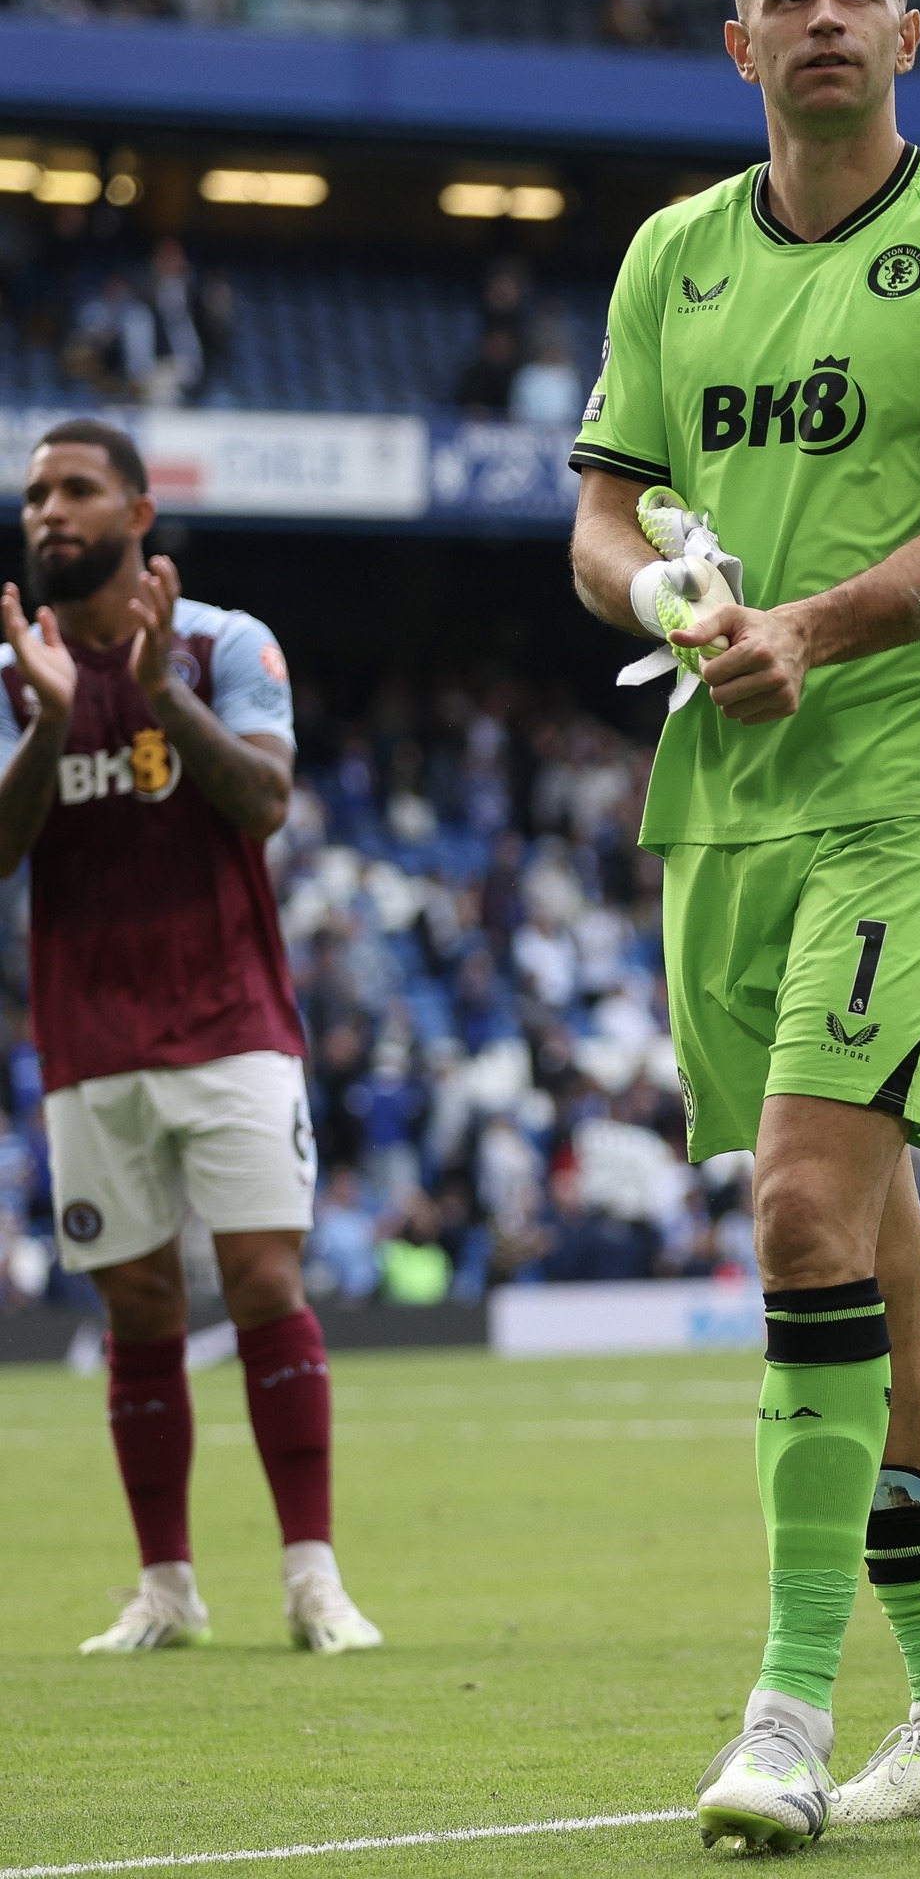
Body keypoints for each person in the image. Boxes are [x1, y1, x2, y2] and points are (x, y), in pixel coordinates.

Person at [569, 0, 920, 1848]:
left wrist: (811, 630)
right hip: (732, 803)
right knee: (864, 1260)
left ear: (909, 35)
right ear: (740, 48)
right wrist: (672, 592)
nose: (825, 17)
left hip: (913, 786)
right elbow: (601, 526)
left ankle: (786, 1712)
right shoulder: (671, 261)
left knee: (796, 1210)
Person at [0, 419, 380, 1658]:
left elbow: (266, 801)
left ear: (137, 513)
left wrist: (161, 696)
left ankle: (313, 1577)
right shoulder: (14, 667)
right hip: (88, 1037)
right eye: (35, 495)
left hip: (231, 1022)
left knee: (266, 1279)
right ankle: (165, 1586)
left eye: (75, 489)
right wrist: (54, 723)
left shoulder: (225, 643)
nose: (47, 511)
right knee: (139, 1306)